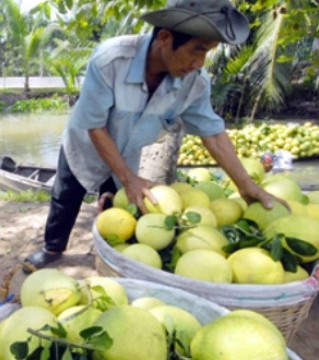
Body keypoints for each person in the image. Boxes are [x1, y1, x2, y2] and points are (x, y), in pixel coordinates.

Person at [22, 0, 282, 273]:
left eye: (208, 53)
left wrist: (245, 184)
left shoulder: (196, 82)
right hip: (85, 143)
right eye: (197, 50)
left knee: (116, 204)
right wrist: (129, 178)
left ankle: (108, 248)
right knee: (66, 196)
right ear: (165, 38)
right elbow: (95, 127)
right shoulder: (111, 59)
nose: (199, 63)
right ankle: (52, 248)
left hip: (126, 153)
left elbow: (213, 133)